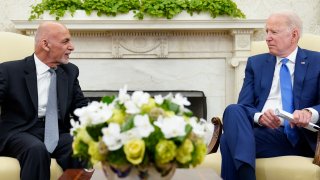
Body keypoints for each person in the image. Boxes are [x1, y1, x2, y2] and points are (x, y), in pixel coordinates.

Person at [220, 10, 320, 180]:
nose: (267, 37)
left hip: (301, 137)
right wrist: (259, 117)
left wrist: (311, 113)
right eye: (267, 31)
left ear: (294, 35)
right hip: (266, 134)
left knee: (227, 141)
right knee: (232, 110)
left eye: (274, 32)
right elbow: (244, 106)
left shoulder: (317, 61)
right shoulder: (256, 63)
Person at [0, 21, 89, 180]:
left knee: (80, 147)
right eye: (65, 41)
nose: (72, 47)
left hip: (56, 131)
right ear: (46, 45)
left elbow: (80, 108)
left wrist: (101, 128)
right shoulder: (9, 71)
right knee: (36, 150)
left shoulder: (70, 71)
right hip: (19, 131)